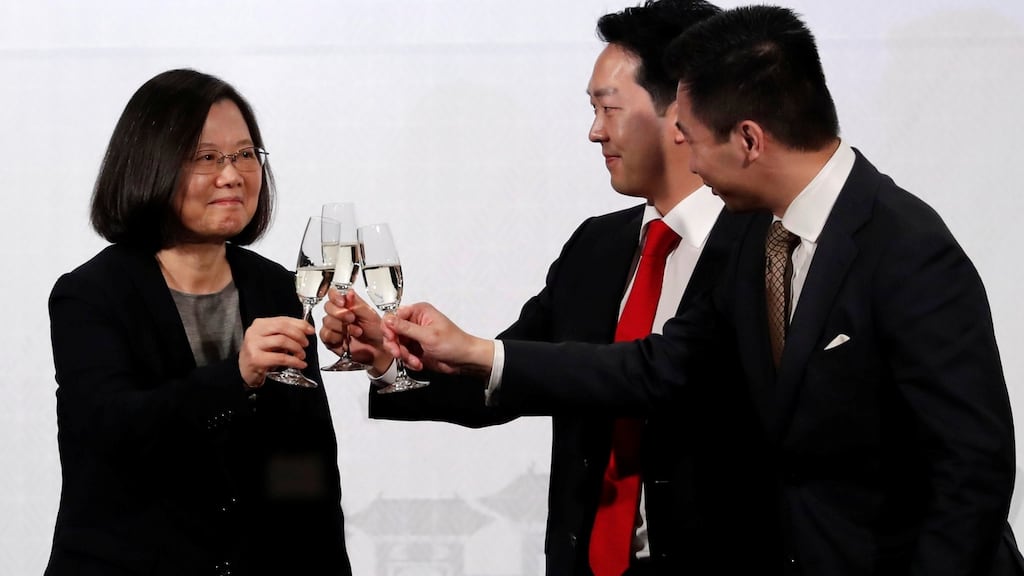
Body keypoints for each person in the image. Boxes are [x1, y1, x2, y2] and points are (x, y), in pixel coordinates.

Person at [379, 6, 1024, 575]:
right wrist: (461, 352)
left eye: (690, 132)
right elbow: (660, 367)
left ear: (748, 138)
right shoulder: (766, 240)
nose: (683, 152)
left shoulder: (904, 247)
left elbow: (973, 466)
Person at [321, 2, 777, 574]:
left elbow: (662, 378)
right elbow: (509, 378)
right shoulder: (596, 247)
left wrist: (477, 351)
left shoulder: (764, 245)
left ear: (683, 109)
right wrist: (392, 359)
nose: (594, 132)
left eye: (608, 108)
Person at [45, 69, 351, 576]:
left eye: (245, 155)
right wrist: (236, 377)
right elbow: (110, 437)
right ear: (152, 166)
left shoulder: (279, 289)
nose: (232, 175)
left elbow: (305, 471)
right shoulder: (91, 295)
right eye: (206, 158)